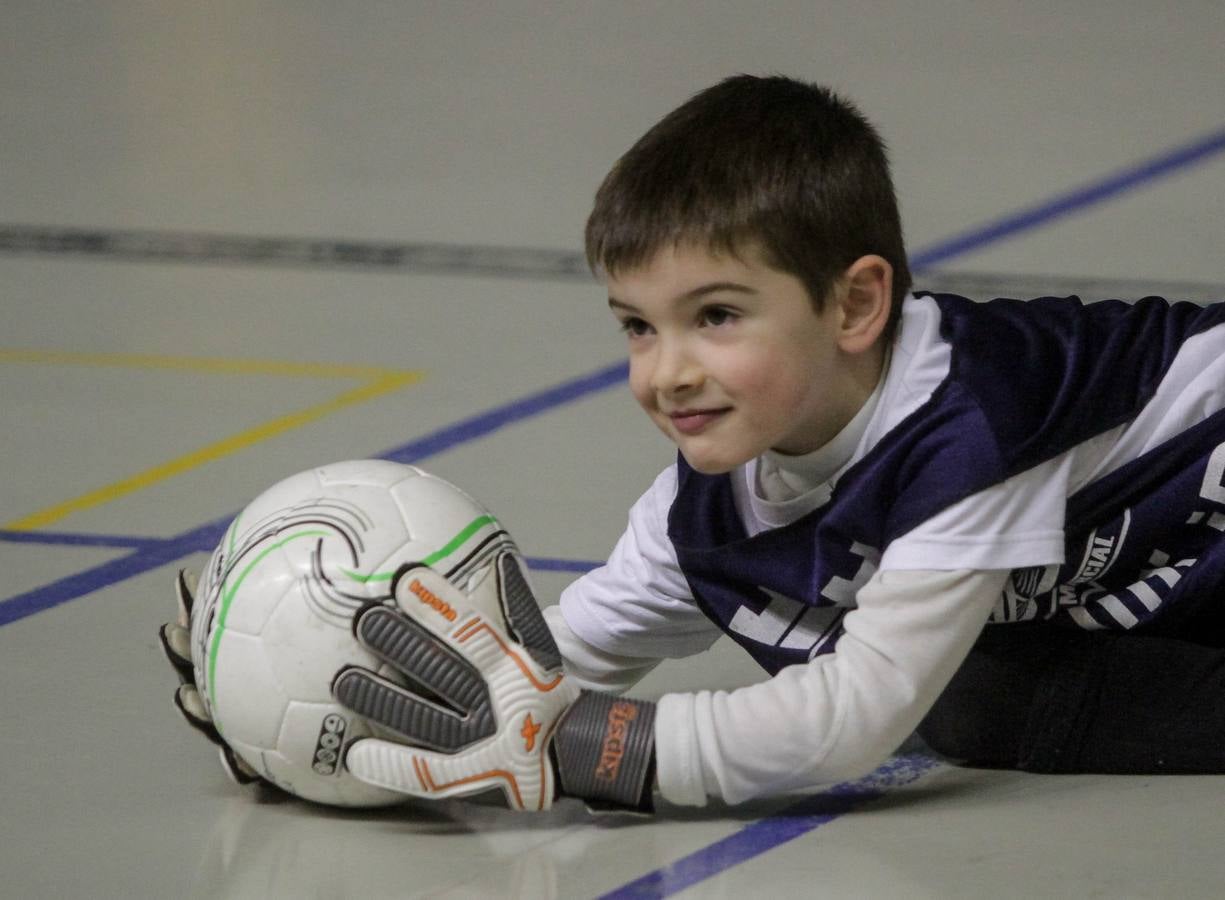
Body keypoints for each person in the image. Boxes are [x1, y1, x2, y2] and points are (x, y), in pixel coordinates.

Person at [163, 74, 1225, 812]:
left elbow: (855, 715)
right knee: (985, 704)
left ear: (855, 305)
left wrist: (605, 751)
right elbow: (542, 666)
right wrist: (341, 724)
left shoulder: (964, 426)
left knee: (960, 703)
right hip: (1180, 577)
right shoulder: (701, 521)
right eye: (638, 325)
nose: (665, 371)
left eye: (715, 317)